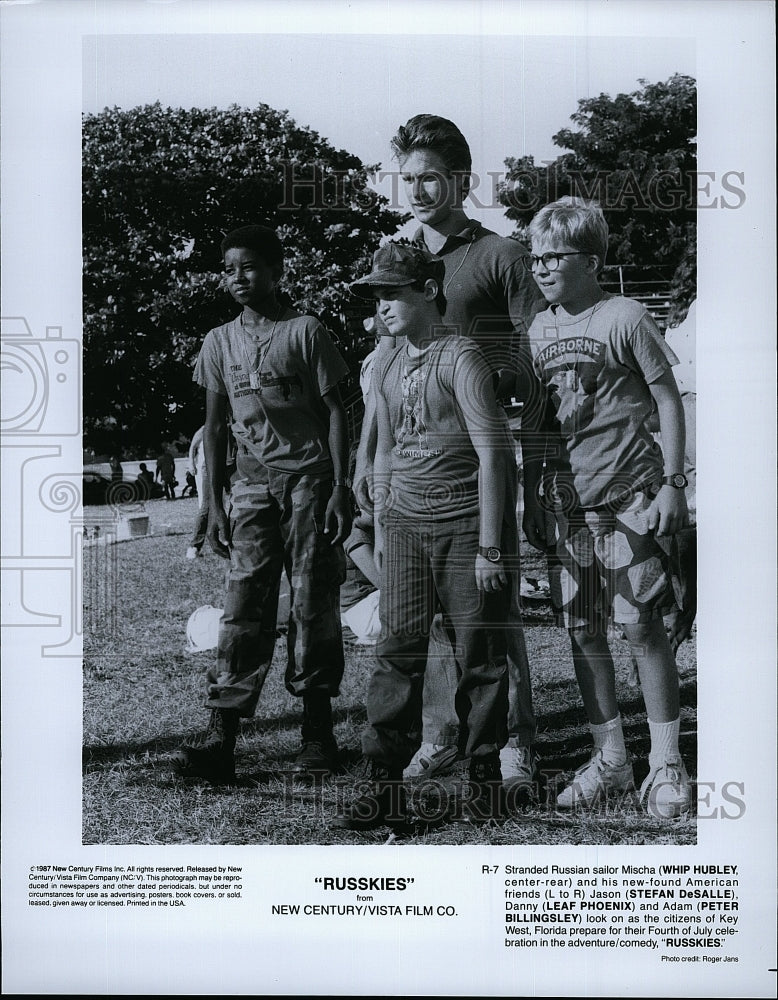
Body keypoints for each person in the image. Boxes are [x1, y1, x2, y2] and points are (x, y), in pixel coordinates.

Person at [354, 114, 545, 792]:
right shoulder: (398, 255)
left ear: (462, 179)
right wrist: (368, 458)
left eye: (430, 176)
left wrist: (503, 399)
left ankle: (513, 747)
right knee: (418, 625)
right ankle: (439, 737)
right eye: (407, 178)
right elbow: (384, 367)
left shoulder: (501, 255)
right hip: (413, 468)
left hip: (481, 463)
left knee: (490, 620)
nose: (418, 189)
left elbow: (538, 351)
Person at [334, 241, 520, 830]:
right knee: (397, 653)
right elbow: (385, 447)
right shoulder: (386, 361)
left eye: (393, 293)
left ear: (428, 291)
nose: (383, 305)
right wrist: (385, 521)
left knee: (479, 657)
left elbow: (495, 454)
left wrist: (492, 546)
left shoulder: (460, 355)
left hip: (465, 524)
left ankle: (485, 774)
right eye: (378, 295)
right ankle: (381, 781)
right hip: (408, 525)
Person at [520, 197, 691, 820]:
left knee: (640, 624)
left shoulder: (624, 315)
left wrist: (673, 483)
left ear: (590, 260)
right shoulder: (538, 328)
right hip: (568, 506)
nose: (541, 268)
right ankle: (611, 758)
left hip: (630, 497)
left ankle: (667, 759)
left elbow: (667, 399)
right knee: (582, 629)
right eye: (535, 257)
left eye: (554, 257)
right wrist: (533, 490)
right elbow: (537, 420)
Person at [174, 224, 352, 784]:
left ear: (276, 271)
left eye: (249, 267)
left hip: (309, 483)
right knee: (243, 603)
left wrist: (341, 487)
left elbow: (338, 413)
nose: (238, 278)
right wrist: (215, 501)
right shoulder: (217, 342)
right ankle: (222, 736)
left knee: (311, 602)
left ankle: (316, 733)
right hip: (249, 486)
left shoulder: (306, 331)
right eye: (229, 269)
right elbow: (215, 423)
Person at [185, 425, 208, 559]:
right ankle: (194, 546)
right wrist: (191, 464)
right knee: (205, 505)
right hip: (204, 467)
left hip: (219, 466)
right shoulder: (205, 428)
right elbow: (193, 446)